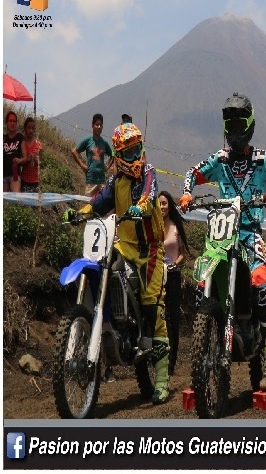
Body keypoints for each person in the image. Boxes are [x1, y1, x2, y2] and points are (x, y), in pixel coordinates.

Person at [179, 92, 266, 392]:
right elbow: (191, 173)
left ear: (250, 124)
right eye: (230, 122)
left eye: (240, 121)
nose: (235, 127)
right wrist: (188, 193)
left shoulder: (260, 159)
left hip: (249, 233)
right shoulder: (220, 159)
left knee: (261, 281)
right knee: (203, 278)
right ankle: (204, 345)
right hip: (220, 235)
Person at [62, 121, 170, 404]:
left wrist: (140, 207)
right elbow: (98, 202)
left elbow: (149, 196)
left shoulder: (148, 173)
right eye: (129, 153)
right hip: (122, 245)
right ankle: (113, 327)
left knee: (152, 308)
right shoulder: (115, 182)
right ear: (120, 156)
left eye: (137, 150)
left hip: (150, 252)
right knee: (107, 277)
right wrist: (79, 213)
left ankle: (161, 380)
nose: (135, 157)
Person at [158, 190, 189, 376]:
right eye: (159, 204)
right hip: (156, 276)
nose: (162, 207)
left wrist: (174, 264)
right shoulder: (153, 225)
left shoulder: (176, 227)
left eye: (164, 204)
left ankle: (171, 362)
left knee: (172, 318)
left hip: (173, 276)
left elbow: (183, 252)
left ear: (170, 206)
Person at [71, 113, 114, 197]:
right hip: (90, 181)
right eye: (97, 124)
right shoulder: (88, 140)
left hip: (102, 181)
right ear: (92, 126)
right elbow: (74, 151)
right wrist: (82, 165)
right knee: (89, 206)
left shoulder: (104, 142)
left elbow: (113, 155)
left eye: (100, 125)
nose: (99, 127)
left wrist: (107, 167)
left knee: (102, 207)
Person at [3, 110, 27, 192]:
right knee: (3, 202)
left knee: (15, 198)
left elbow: (25, 157)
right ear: (6, 123)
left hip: (15, 175)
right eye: (10, 121)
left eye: (14, 121)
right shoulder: (3, 138)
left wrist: (19, 160)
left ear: (16, 123)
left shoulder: (20, 137)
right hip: (3, 175)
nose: (12, 123)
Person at [20, 117, 43, 193]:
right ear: (25, 128)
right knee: (24, 204)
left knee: (35, 204)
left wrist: (36, 159)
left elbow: (41, 163)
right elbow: (20, 162)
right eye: (28, 128)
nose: (31, 130)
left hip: (35, 181)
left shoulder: (38, 144)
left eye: (33, 128)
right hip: (24, 180)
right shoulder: (22, 143)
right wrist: (27, 159)